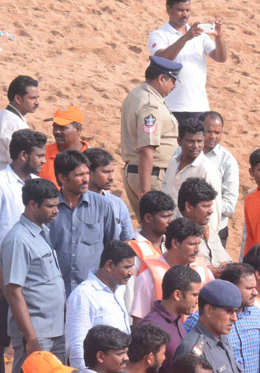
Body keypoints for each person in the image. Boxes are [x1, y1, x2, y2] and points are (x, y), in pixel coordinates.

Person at [0, 128, 46, 373]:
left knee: (27, 337)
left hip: (32, 277)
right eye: (39, 155)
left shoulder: (37, 184)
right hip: (4, 276)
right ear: (24, 155)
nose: (44, 160)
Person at [2, 178, 67, 373]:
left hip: (55, 329)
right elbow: (13, 289)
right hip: (37, 333)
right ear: (32, 205)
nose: (56, 211)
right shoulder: (18, 239)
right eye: (50, 206)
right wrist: (31, 338)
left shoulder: (41, 232)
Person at [48, 148, 124, 294]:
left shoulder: (103, 205)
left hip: (92, 292)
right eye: (79, 175)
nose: (86, 179)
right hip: (56, 291)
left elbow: (113, 248)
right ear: (63, 178)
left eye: (87, 174)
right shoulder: (49, 208)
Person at [148, 0, 228, 122]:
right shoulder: (159, 35)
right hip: (170, 107)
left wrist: (219, 38)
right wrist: (186, 37)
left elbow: (221, 58)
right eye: (180, 10)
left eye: (188, 10)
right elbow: (161, 58)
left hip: (199, 106)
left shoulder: (200, 36)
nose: (185, 14)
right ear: (168, 9)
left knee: (197, 142)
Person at [119, 56, 182, 207]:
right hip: (152, 176)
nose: (174, 86)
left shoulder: (136, 94)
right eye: (172, 81)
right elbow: (147, 149)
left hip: (138, 172)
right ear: (161, 78)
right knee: (160, 227)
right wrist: (146, 192)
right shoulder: (150, 105)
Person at [65, 240, 135, 371]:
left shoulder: (120, 288)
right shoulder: (83, 294)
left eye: (132, 267)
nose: (131, 272)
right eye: (126, 267)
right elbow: (76, 346)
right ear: (109, 265)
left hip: (120, 371)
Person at [129, 216, 207, 320]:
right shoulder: (148, 277)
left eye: (198, 244)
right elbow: (139, 321)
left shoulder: (204, 272)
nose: (197, 250)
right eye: (192, 244)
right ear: (175, 243)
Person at [141, 264, 201, 373]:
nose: (197, 301)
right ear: (177, 295)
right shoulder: (151, 326)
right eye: (194, 295)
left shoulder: (177, 320)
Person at [163, 119, 224, 240]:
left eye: (199, 141)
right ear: (179, 141)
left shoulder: (207, 170)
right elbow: (166, 189)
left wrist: (207, 241)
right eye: (191, 141)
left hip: (194, 238)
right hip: (172, 232)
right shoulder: (174, 162)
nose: (196, 146)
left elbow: (214, 211)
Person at [127, 189, 175, 304]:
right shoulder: (131, 250)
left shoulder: (172, 245)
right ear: (148, 218)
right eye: (165, 217)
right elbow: (129, 295)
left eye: (171, 216)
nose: (170, 221)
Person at [0, 76, 39, 177]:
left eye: (37, 98)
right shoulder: (16, 124)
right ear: (18, 98)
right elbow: (19, 162)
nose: (37, 102)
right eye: (32, 98)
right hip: (6, 180)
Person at [202, 112, 238, 247]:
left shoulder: (227, 161)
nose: (213, 136)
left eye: (217, 132)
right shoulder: (181, 153)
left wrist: (201, 207)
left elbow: (229, 206)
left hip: (216, 230)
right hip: (185, 226)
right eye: (209, 131)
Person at [84, 148, 136, 243]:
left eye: (111, 172)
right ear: (89, 173)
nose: (111, 177)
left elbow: (128, 240)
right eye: (105, 172)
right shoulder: (77, 203)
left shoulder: (117, 204)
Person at [176, 176, 229, 269]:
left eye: (210, 206)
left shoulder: (207, 227)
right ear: (189, 206)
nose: (211, 211)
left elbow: (225, 260)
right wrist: (207, 273)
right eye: (205, 206)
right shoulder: (175, 233)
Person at [38, 106, 88, 183]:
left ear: (77, 129)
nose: (56, 132)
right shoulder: (41, 154)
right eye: (55, 127)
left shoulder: (91, 158)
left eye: (62, 128)